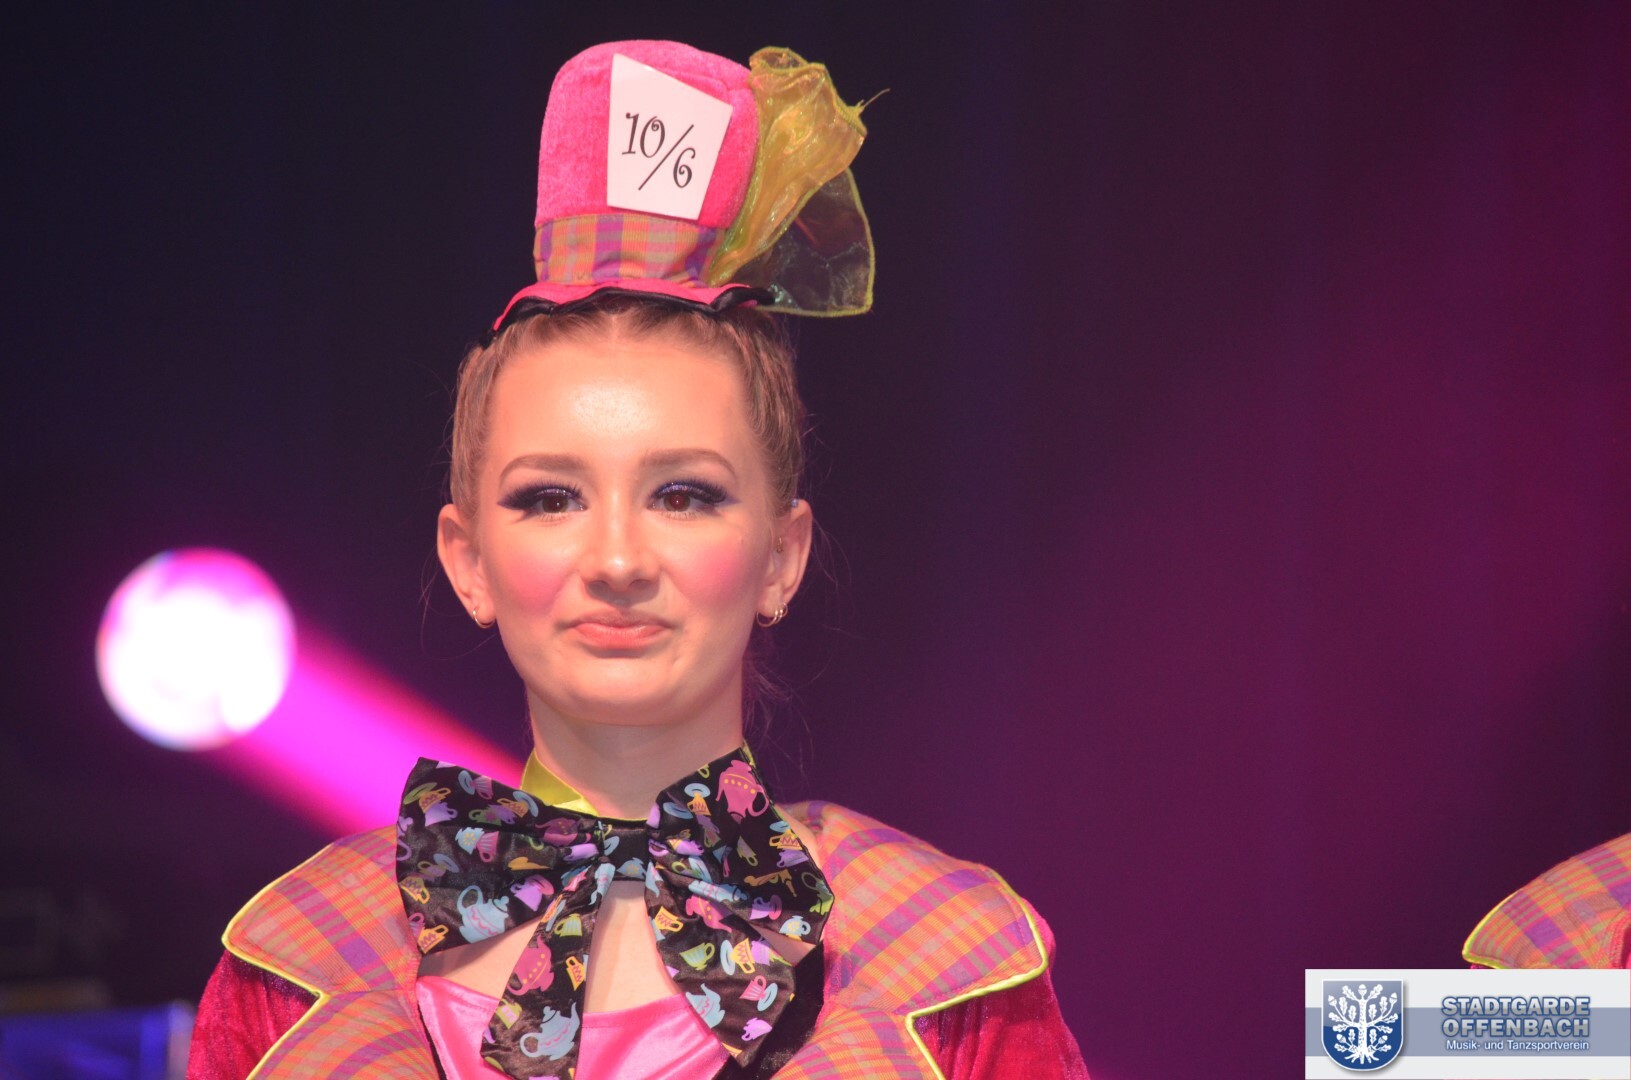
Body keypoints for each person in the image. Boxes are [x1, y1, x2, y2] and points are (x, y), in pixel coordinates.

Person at [188, 40, 1088, 1079]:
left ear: (781, 556)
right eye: (550, 498)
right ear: (467, 560)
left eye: (682, 494)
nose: (616, 557)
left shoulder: (949, 972)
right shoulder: (294, 969)